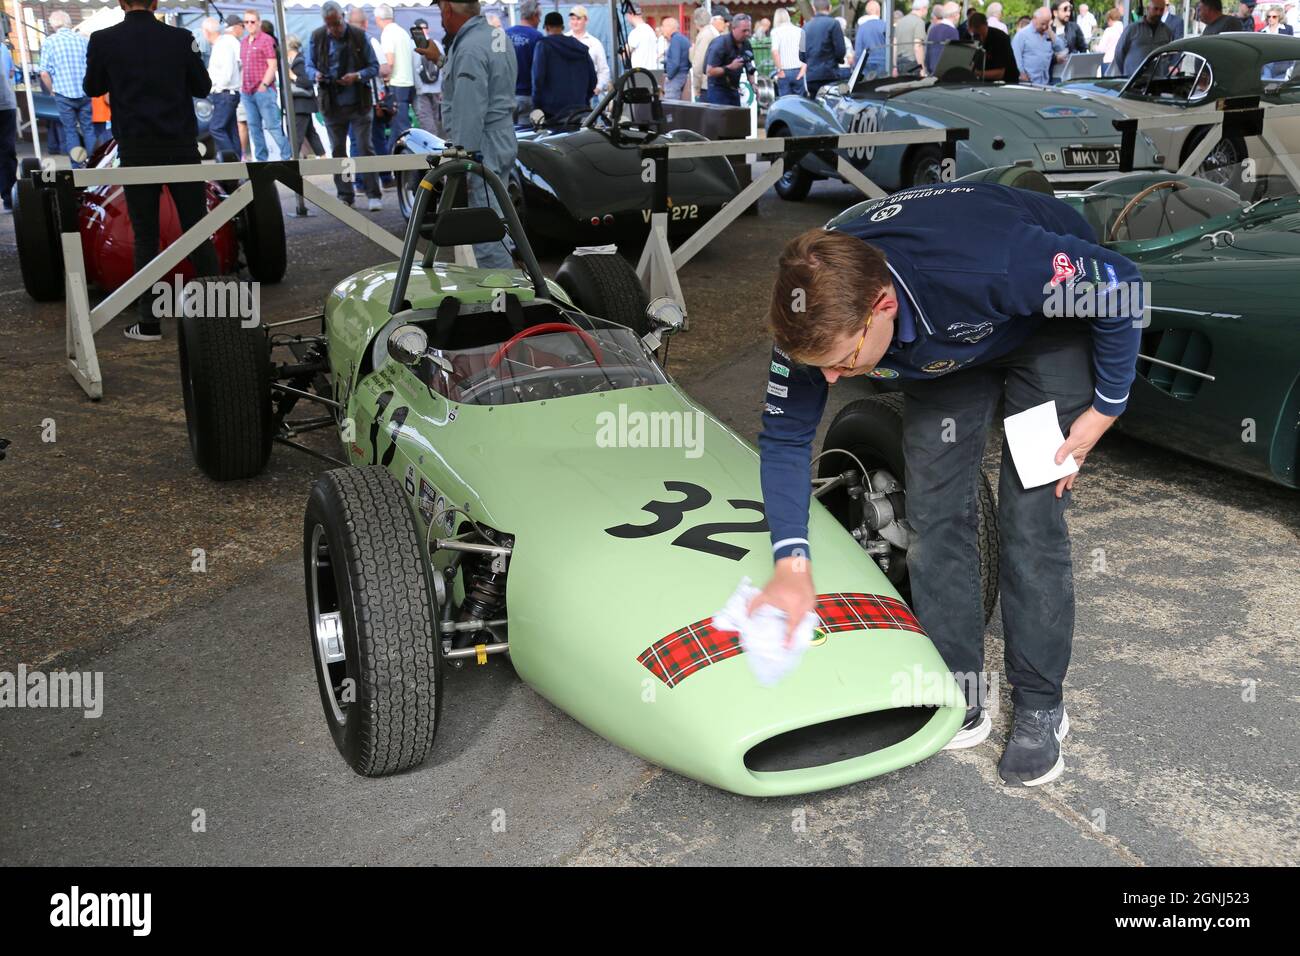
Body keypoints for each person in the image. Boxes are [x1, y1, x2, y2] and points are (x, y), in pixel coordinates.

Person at [755, 184, 1143, 788]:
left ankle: (1041, 704)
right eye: (821, 368)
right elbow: (783, 442)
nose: (832, 378)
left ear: (881, 304)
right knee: (934, 513)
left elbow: (1121, 285)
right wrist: (791, 560)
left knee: (1029, 514)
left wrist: (1106, 408)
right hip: (947, 347)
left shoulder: (996, 257)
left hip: (1041, 325)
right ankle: (959, 687)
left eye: (845, 363)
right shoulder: (813, 318)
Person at [84, 0, 219, 342]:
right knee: (196, 229)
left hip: (136, 147)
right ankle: (218, 317)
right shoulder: (181, 37)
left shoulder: (102, 39)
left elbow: (92, 88)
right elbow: (203, 86)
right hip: (179, 144)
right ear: (156, 2)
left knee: (145, 234)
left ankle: (149, 322)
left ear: (121, 3)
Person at [440, 0, 518, 270]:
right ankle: (507, 294)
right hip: (500, 136)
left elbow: (468, 108)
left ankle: (501, 296)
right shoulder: (495, 35)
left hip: (482, 143)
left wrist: (461, 158)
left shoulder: (470, 48)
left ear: (448, 9)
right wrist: (440, 61)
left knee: (486, 229)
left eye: (440, 8)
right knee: (498, 218)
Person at [306, 0, 383, 210]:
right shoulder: (317, 36)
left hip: (359, 103)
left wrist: (357, 76)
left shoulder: (358, 35)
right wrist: (317, 75)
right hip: (332, 104)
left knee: (365, 149)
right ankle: (345, 195)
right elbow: (308, 66)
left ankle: (373, 194)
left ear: (343, 17)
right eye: (329, 25)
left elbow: (374, 66)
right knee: (339, 151)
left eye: (337, 23)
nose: (334, 29)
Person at [39, 10, 93, 165]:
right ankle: (95, 166)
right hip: (84, 92)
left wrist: (51, 90)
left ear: (54, 24)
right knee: (88, 129)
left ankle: (77, 167)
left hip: (63, 94)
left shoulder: (50, 41)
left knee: (70, 131)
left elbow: (44, 73)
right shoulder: (83, 40)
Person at [239, 9, 291, 161]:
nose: (249, 25)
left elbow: (272, 65)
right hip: (247, 91)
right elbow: (243, 66)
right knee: (254, 128)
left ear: (259, 22)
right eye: (246, 22)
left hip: (263, 90)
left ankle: (287, 157)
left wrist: (264, 84)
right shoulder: (243, 42)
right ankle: (261, 160)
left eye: (252, 21)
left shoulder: (266, 40)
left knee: (272, 126)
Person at [532, 10, 597, 121]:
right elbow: (593, 80)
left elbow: (538, 78)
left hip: (551, 111)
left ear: (546, 27)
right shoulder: (580, 48)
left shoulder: (543, 46)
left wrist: (537, 105)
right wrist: (584, 100)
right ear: (562, 27)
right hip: (579, 110)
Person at [375, 4, 415, 152]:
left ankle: (410, 159)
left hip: (396, 83)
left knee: (402, 126)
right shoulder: (402, 32)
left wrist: (385, 79)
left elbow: (389, 62)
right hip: (407, 82)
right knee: (397, 126)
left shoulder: (387, 34)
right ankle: (390, 156)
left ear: (378, 19)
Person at [205, 15, 242, 159]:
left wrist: (219, 87)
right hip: (227, 92)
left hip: (225, 92)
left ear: (207, 32)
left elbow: (227, 70)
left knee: (216, 128)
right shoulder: (223, 44)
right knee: (230, 130)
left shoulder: (223, 45)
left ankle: (231, 160)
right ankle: (237, 164)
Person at [287, 34, 325, 158]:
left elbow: (308, 81)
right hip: (303, 104)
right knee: (310, 133)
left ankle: (293, 160)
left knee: (297, 135)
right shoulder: (298, 60)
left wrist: (293, 76)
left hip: (301, 104)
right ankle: (324, 157)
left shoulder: (299, 62)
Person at [1110, 0, 1172, 75]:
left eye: (1161, 10)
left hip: (1156, 81)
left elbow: (1169, 55)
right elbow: (1119, 53)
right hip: (1133, 81)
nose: (1158, 13)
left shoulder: (1166, 31)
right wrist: (1127, 73)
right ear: (1148, 9)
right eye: (1155, 9)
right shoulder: (1132, 29)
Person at [705, 12, 755, 105]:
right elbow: (709, 71)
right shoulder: (720, 44)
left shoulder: (746, 44)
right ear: (733, 29)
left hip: (734, 89)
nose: (747, 34)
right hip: (718, 90)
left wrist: (753, 84)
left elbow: (749, 66)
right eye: (744, 31)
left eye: (749, 30)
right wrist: (730, 67)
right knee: (721, 119)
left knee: (734, 118)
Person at [801, 0, 846, 96]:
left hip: (812, 76)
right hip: (830, 73)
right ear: (829, 8)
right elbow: (841, 50)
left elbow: (801, 55)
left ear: (813, 9)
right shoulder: (834, 24)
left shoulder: (805, 27)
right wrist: (839, 60)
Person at [507, 0, 543, 120]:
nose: (540, 21)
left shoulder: (505, 35)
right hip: (527, 97)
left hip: (506, 97)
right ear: (534, 16)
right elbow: (541, 70)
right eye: (539, 17)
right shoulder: (538, 37)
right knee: (526, 136)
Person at [411, 17, 445, 135]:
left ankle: (432, 146)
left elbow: (413, 67)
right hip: (436, 88)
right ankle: (438, 143)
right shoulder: (436, 44)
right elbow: (442, 65)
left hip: (421, 90)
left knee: (426, 120)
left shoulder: (412, 45)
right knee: (435, 119)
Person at [566, 6, 610, 96]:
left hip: (589, 94)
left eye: (578, 19)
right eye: (572, 19)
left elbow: (604, 70)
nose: (575, 22)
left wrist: (598, 88)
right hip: (568, 94)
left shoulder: (595, 43)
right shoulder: (563, 40)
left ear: (586, 20)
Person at [1012, 7, 1063, 84]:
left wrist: (1051, 33)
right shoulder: (1022, 35)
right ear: (1034, 19)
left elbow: (1060, 48)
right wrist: (1022, 73)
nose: (1044, 27)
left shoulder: (1048, 33)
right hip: (1028, 82)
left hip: (1045, 82)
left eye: (1047, 23)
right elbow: (1016, 57)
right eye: (1042, 23)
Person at [969, 10, 1018, 81]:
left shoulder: (1000, 38)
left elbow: (999, 74)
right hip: (985, 82)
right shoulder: (971, 38)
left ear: (986, 25)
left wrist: (977, 73)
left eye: (982, 33)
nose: (981, 38)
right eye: (976, 34)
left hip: (1007, 82)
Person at [770, 7, 805, 96]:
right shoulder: (800, 31)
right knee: (800, 102)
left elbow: (775, 51)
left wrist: (779, 70)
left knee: (785, 102)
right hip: (799, 69)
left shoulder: (775, 32)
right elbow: (805, 52)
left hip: (784, 70)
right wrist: (803, 70)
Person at [0, 42, 17, 212]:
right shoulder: (3, 48)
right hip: (5, 102)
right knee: (6, 151)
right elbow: (11, 72)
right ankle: (9, 198)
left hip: (5, 103)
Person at [691, 6, 720, 98]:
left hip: (706, 84)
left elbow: (698, 64)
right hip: (715, 82)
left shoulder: (704, 35)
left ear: (696, 22)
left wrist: (696, 87)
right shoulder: (714, 32)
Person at [894, 0, 929, 76]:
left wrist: (894, 66)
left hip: (899, 63)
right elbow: (917, 46)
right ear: (923, 8)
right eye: (927, 9)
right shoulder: (919, 22)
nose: (927, 12)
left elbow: (895, 45)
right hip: (913, 64)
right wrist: (922, 68)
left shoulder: (900, 21)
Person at [926, 3, 961, 77]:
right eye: (959, 13)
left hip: (932, 73)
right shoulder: (953, 31)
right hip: (947, 75)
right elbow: (955, 55)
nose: (959, 16)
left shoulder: (933, 29)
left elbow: (928, 53)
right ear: (955, 15)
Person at [855, 2, 889, 78]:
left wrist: (856, 67)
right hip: (883, 62)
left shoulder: (862, 28)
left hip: (867, 63)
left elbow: (858, 50)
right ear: (878, 11)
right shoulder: (885, 25)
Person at [661, 17, 691, 100]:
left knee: (670, 105)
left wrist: (669, 76)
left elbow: (675, 62)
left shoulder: (676, 40)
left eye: (663, 26)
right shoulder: (683, 39)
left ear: (670, 27)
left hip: (676, 77)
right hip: (682, 75)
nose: (662, 29)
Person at [626, 3, 660, 72]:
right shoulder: (650, 30)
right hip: (652, 74)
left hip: (640, 75)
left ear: (631, 14)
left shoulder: (636, 32)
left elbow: (625, 55)